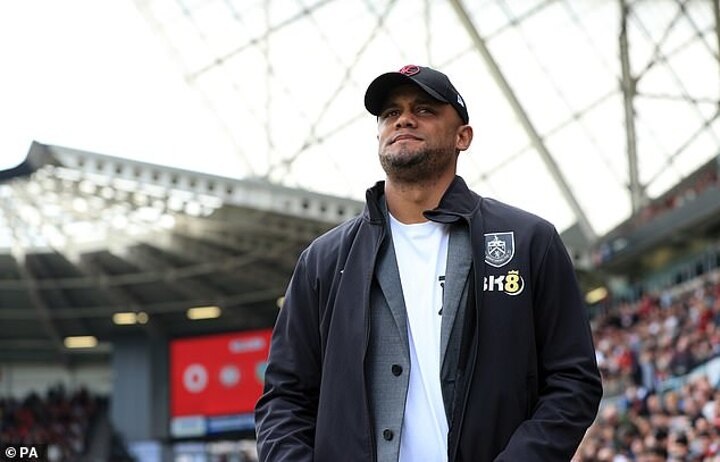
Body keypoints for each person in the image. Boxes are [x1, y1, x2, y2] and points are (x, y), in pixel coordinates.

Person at [255, 65, 602, 461]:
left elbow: (573, 382)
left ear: (462, 136)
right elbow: (284, 398)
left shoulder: (528, 241)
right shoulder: (323, 261)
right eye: (390, 113)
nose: (403, 119)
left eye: (424, 109)